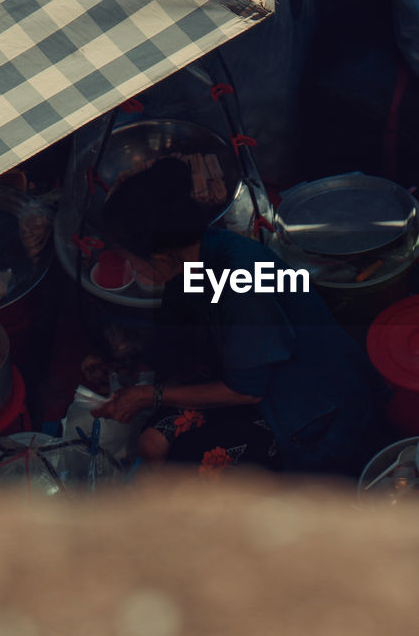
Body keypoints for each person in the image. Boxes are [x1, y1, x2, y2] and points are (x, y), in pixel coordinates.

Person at [92, 157, 386, 475]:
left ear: (160, 257)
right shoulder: (196, 255)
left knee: (189, 467)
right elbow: (179, 332)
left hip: (306, 409)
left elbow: (247, 390)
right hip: (246, 377)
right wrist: (137, 376)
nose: (133, 270)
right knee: (152, 442)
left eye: (134, 262)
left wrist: (152, 395)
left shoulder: (241, 286)